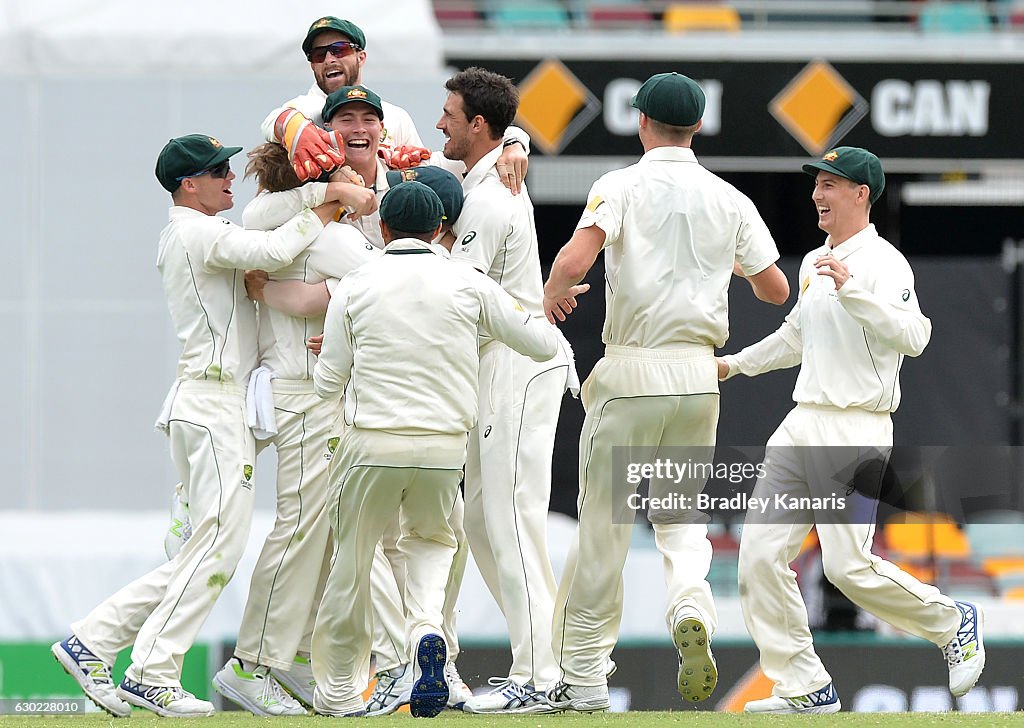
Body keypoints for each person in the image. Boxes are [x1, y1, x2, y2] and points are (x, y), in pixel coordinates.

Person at [51, 134, 338, 717]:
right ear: (189, 184)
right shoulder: (196, 230)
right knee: (216, 551)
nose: (230, 179)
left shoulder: (197, 232)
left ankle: (93, 642)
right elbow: (278, 243)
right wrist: (330, 205)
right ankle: (152, 671)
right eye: (217, 172)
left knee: (203, 552)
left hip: (209, 406)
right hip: (211, 406)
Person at [541, 72, 789, 712]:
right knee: (681, 521)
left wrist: (550, 296)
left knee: (604, 530)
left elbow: (575, 261)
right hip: (697, 378)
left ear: (642, 122)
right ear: (697, 127)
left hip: (631, 373)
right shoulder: (730, 198)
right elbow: (775, 290)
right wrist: (730, 267)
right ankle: (691, 606)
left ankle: (588, 679)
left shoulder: (619, 185)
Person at [717, 146, 985, 713]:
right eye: (817, 183)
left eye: (832, 184)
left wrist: (854, 290)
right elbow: (794, 339)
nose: (818, 194)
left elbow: (914, 338)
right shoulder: (814, 259)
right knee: (759, 556)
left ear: (862, 194)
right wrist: (734, 364)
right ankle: (804, 686)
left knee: (846, 566)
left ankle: (952, 621)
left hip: (857, 426)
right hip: (801, 422)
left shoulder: (886, 263)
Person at [308, 181, 560, 718]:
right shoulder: (468, 281)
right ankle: (426, 630)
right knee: (430, 543)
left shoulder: (355, 284)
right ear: (441, 229)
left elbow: (328, 382)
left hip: (371, 444)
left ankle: (335, 695)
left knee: (351, 565)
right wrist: (492, 323)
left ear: (383, 229)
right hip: (444, 448)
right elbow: (540, 344)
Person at [245, 163, 477, 714]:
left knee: (359, 551)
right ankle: (416, 657)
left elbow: (357, 292)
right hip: (437, 433)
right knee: (417, 546)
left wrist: (286, 293)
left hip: (359, 419)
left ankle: (388, 666)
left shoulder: (356, 248)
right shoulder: (438, 269)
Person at [209, 142, 379, 716]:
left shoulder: (287, 220)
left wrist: (323, 296)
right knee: (300, 527)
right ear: (322, 178)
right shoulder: (323, 232)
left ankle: (296, 659)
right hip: (307, 394)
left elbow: (263, 217)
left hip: (307, 392)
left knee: (321, 532)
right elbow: (385, 281)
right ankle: (250, 663)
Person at [435, 66, 583, 714]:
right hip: (497, 366)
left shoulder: (492, 198)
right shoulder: (489, 175)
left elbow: (454, 298)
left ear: (477, 125)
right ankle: (550, 660)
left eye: (449, 112)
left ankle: (541, 674)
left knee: (510, 516)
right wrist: (517, 137)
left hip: (520, 361)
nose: (439, 121)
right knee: (479, 519)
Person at [259, 15, 529, 191]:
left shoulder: (394, 116)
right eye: (319, 54)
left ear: (361, 56)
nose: (329, 59)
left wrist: (513, 139)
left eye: (339, 49)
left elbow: (429, 174)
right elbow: (274, 122)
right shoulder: (303, 109)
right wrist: (292, 125)